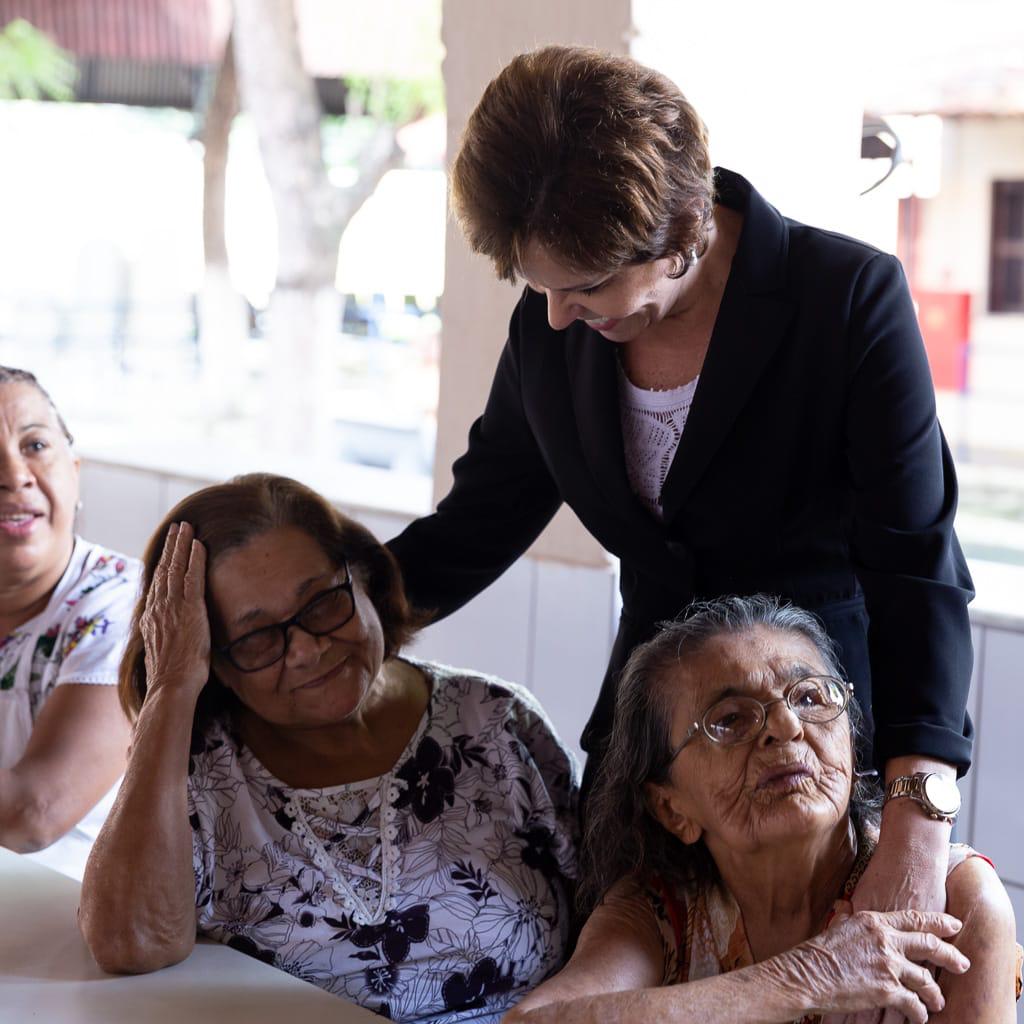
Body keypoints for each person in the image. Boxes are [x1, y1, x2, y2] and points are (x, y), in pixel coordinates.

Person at [386, 45, 975, 972]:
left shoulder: (844, 300)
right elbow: (477, 522)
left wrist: (919, 824)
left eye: (585, 287)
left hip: (812, 760)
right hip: (655, 764)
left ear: (684, 233)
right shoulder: (553, 327)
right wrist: (324, 618)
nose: (555, 316)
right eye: (538, 285)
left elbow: (917, 569)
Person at [79, 473, 577, 1024]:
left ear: (363, 577)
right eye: (257, 638)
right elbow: (130, 942)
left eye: (320, 603)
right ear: (213, 661)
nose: (307, 650)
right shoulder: (198, 776)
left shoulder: (496, 722)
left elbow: (620, 911)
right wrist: (172, 686)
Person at [504, 596, 1021, 1024]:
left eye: (810, 698)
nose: (787, 727)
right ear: (671, 807)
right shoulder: (662, 909)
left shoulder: (955, 900)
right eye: (729, 719)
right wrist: (808, 976)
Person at [0, 365, 139, 879]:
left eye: (35, 446)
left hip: (73, 910)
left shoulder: (128, 606)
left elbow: (34, 814)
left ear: (74, 472)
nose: (14, 475)